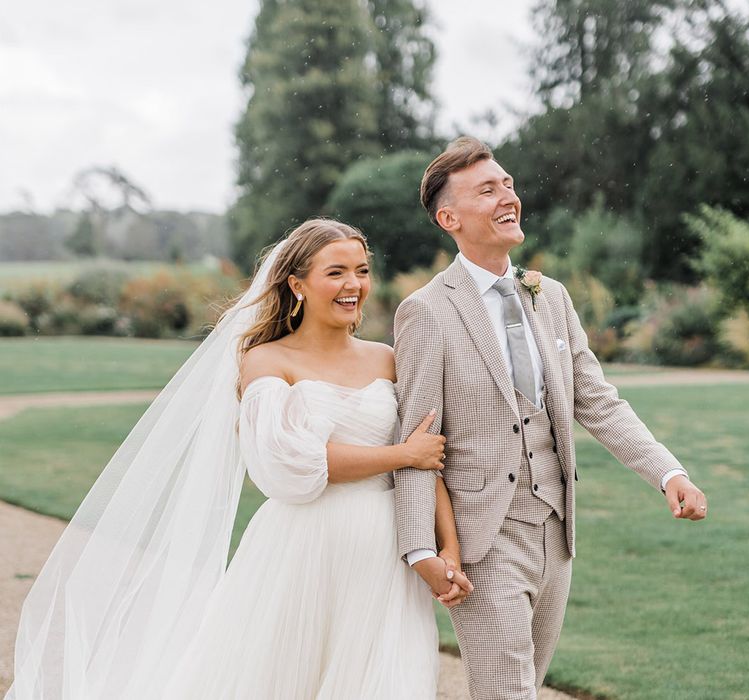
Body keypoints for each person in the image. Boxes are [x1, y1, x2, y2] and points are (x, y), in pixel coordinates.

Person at [7, 218, 471, 700]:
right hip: (302, 549)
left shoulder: (387, 358)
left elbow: (429, 460)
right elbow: (290, 463)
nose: (353, 285)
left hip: (385, 553)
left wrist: (447, 550)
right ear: (297, 284)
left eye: (361, 270)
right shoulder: (266, 360)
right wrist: (401, 454)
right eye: (335, 273)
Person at [393, 137, 708, 700]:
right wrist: (423, 550)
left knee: (524, 687)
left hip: (556, 536)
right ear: (450, 217)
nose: (507, 196)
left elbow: (597, 400)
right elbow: (417, 440)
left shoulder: (551, 296)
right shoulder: (426, 311)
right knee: (507, 693)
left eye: (508, 184)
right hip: (482, 540)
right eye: (487, 190)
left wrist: (669, 472)